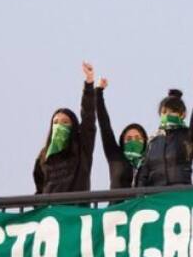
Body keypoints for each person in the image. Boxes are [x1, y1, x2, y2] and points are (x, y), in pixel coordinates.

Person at [135, 66, 193, 187]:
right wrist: (139, 200)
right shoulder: (152, 142)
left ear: (183, 114)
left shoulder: (188, 137)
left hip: (180, 196)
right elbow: (143, 175)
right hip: (155, 199)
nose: (167, 115)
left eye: (172, 112)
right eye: (164, 112)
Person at [34, 62, 98, 194]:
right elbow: (39, 191)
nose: (59, 126)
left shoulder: (81, 149)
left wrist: (89, 83)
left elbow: (88, 118)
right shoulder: (43, 157)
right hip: (52, 213)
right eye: (56, 122)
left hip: (76, 211)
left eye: (65, 123)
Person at [95, 77, 149, 189]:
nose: (133, 141)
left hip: (143, 206)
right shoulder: (115, 155)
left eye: (137, 138)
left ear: (145, 142)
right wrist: (98, 92)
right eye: (128, 139)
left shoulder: (150, 161)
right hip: (118, 206)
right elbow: (104, 125)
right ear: (122, 142)